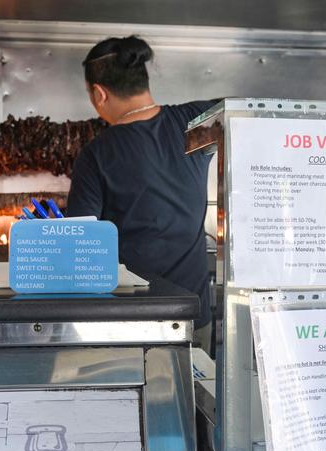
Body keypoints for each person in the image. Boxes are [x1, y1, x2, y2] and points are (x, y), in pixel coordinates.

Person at [67, 35, 216, 352]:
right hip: (191, 315)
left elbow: (79, 244)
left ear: (99, 93)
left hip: (127, 321)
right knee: (192, 401)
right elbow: (256, 111)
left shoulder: (96, 154)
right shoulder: (194, 124)